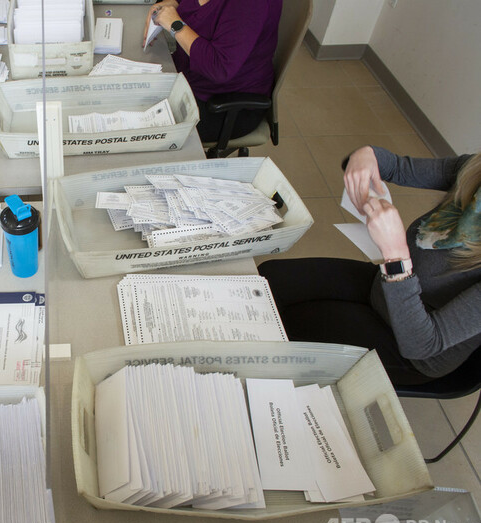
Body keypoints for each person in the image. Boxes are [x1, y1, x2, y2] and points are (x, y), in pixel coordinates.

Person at [258, 146, 481, 386]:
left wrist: (395, 254)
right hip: (386, 288)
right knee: (266, 279)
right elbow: (397, 167)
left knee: (283, 324)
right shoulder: (474, 170)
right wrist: (366, 155)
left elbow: (424, 343)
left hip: (410, 347)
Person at [144, 0, 282, 143]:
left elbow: (219, 67)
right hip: (188, 75)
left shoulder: (250, 4)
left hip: (221, 103)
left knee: (140, 127)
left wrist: (175, 25)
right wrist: (172, 4)